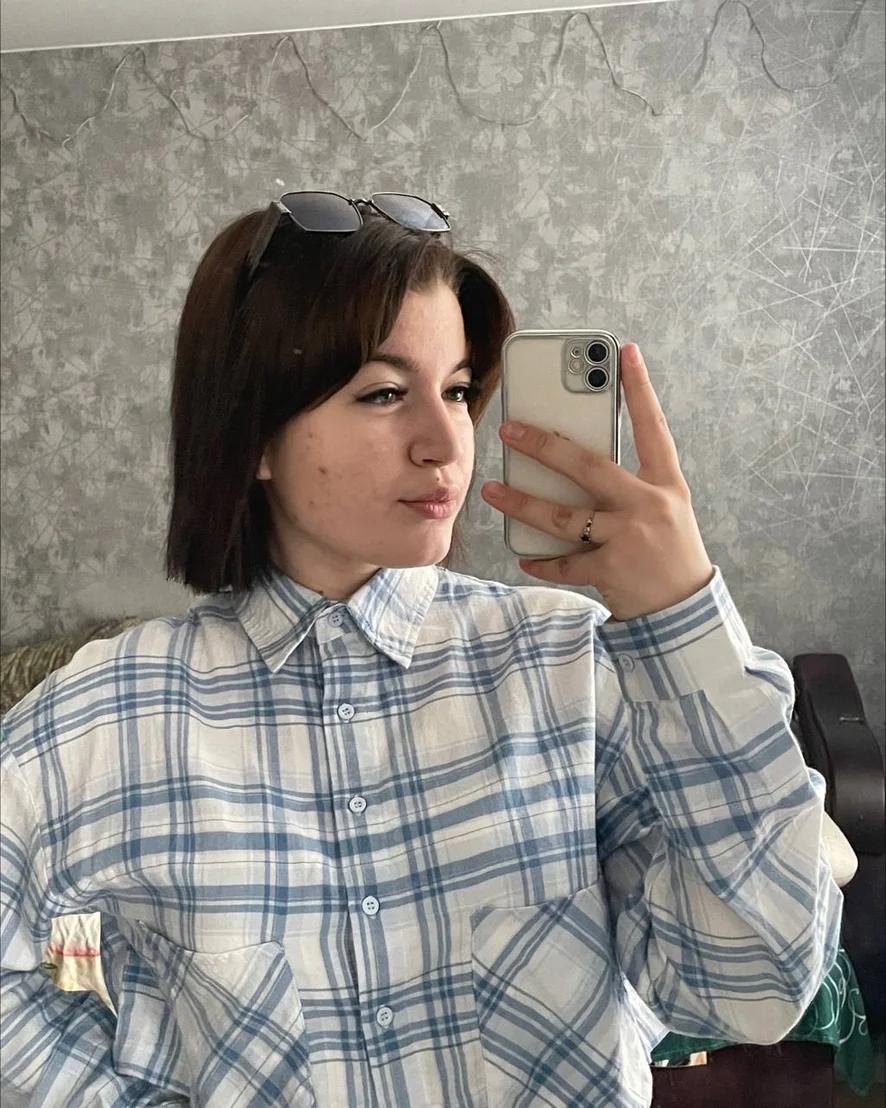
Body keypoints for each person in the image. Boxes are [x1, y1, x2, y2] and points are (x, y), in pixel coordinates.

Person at [0, 191, 842, 1108]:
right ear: (254, 435)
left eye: (457, 389)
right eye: (384, 393)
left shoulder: (572, 669)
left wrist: (682, 623)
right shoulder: (107, 716)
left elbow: (752, 990)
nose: (447, 442)